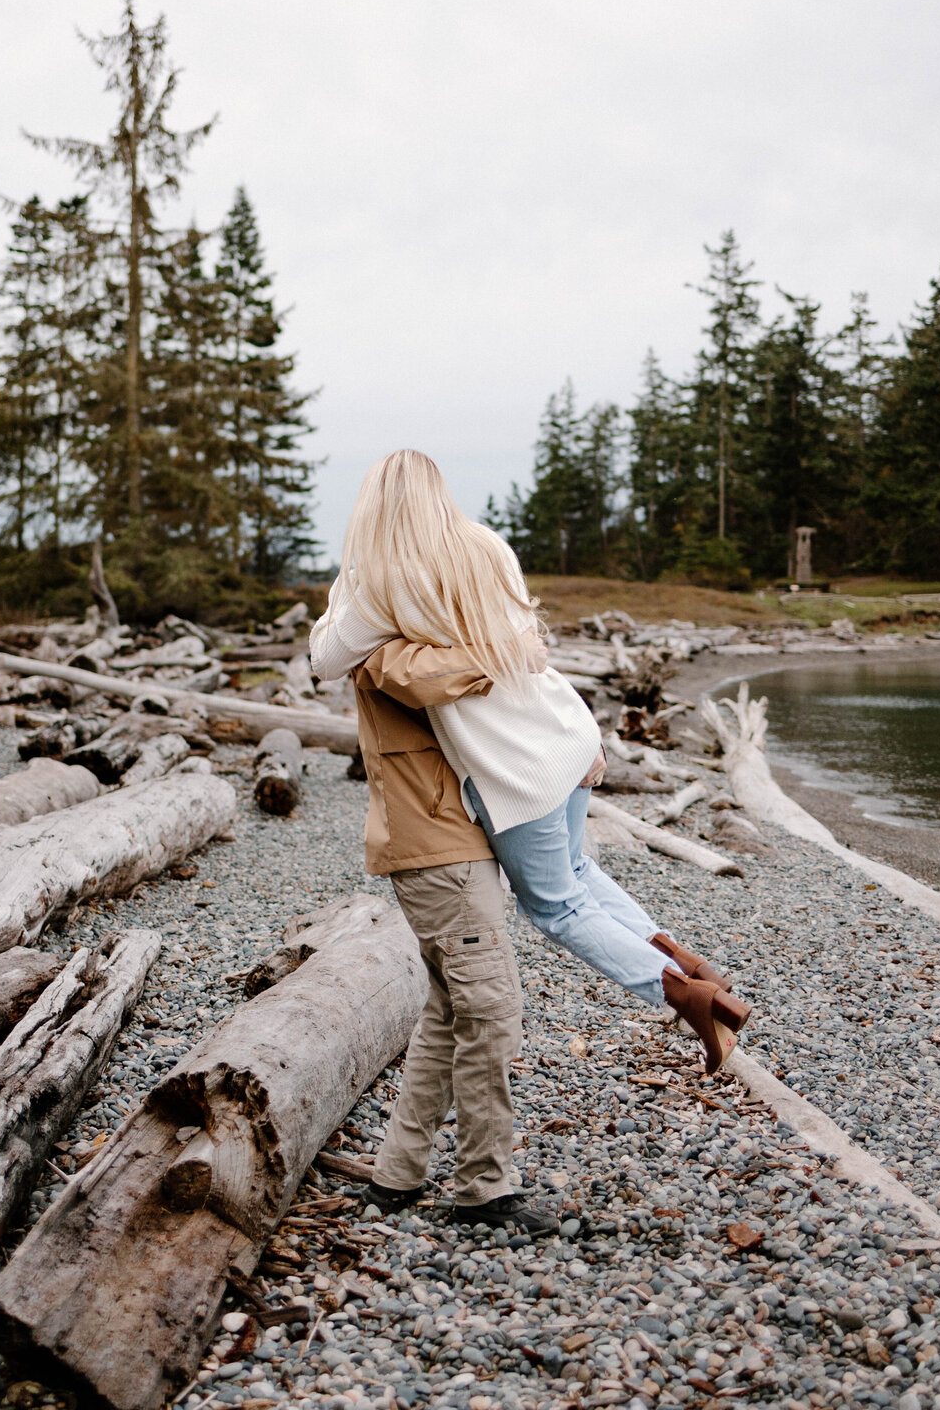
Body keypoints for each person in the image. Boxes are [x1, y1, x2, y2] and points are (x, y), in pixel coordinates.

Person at [310, 450, 752, 1096]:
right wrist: (591, 735)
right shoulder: (487, 548)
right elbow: (530, 653)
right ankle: (686, 961)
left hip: (517, 776)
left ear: (372, 509)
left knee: (558, 908)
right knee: (580, 874)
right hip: (565, 734)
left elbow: (325, 656)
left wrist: (348, 580)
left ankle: (686, 998)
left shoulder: (384, 581)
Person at [342, 628, 560, 1236]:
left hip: (447, 850)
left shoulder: (403, 646)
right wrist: (512, 650)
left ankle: (397, 1175)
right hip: (441, 857)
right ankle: (483, 1188)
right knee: (491, 1012)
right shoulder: (387, 651)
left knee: (448, 1011)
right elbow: (420, 677)